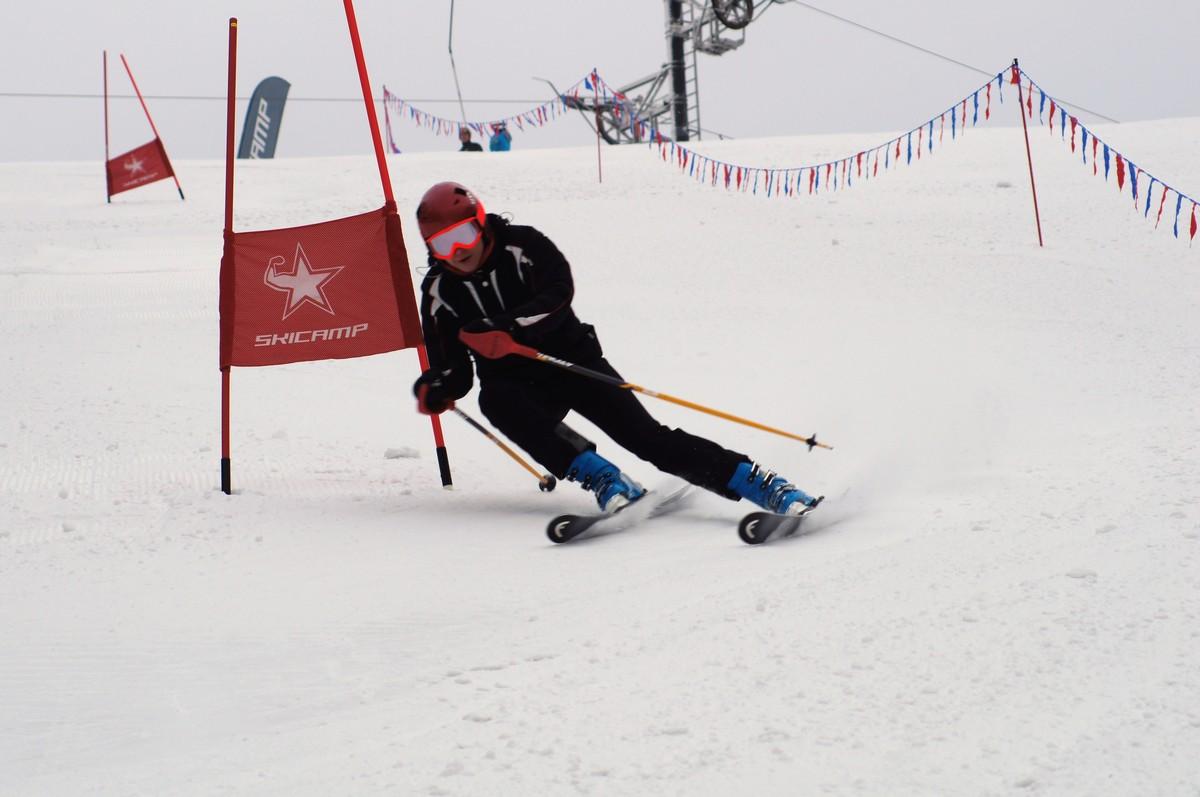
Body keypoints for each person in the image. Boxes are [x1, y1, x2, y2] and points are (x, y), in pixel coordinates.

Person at [411, 182, 821, 515]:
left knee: (649, 441)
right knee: (495, 400)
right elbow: (452, 365)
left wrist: (509, 327)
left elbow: (558, 294)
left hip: (571, 360)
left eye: (463, 235)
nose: (458, 252)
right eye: (442, 244)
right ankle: (603, 477)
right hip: (516, 385)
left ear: (481, 223)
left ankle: (760, 484)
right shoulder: (437, 292)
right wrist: (439, 385)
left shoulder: (523, 246)